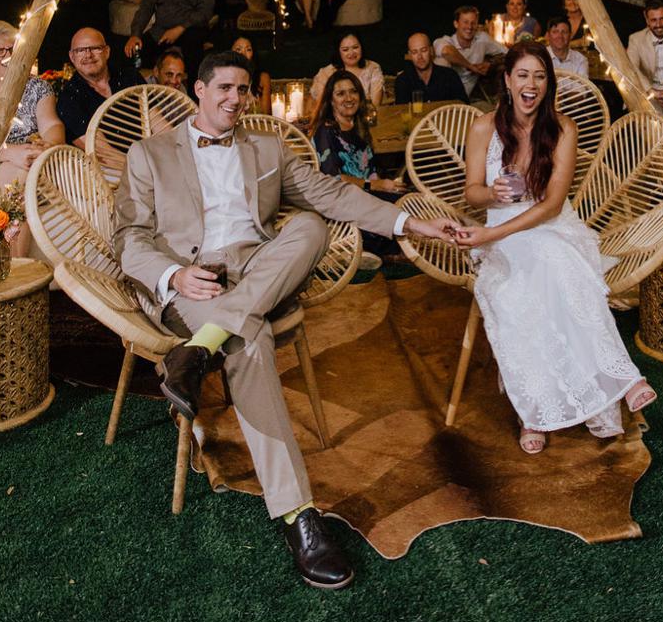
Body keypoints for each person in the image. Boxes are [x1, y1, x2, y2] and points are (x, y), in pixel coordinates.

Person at [117, 50, 450, 589]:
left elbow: (331, 194)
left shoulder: (267, 147)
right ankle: (299, 516)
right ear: (198, 92)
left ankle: (197, 350)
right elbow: (129, 237)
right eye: (223, 88)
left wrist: (407, 222)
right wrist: (174, 277)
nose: (234, 99)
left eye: (242, 89)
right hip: (194, 277)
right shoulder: (149, 154)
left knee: (311, 227)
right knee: (250, 344)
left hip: (258, 264)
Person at [446, 44, 657, 453]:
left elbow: (553, 205)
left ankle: (612, 384)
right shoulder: (482, 127)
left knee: (551, 259)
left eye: (540, 76)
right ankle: (546, 408)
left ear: (549, 83)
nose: (531, 84)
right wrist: (492, 195)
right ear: (507, 80)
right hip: (502, 227)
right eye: (523, 75)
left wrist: (491, 237)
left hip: (551, 226)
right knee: (524, 283)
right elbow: (471, 194)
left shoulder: (563, 129)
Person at [0, 19, 64, 209]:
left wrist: (48, 146)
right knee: (18, 175)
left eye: (12, 49)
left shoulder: (37, 86)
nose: (8, 56)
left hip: (38, 157)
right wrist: (11, 153)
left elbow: (52, 124)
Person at [310, 69, 406, 203]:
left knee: (417, 199)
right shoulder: (325, 131)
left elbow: (370, 170)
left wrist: (385, 185)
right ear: (331, 100)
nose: (349, 98)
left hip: (370, 195)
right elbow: (332, 178)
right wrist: (376, 185)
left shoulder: (358, 125)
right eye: (340, 94)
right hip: (345, 201)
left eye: (353, 91)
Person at [56, 27, 141, 144]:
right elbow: (102, 152)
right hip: (112, 161)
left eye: (95, 48)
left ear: (107, 52)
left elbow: (158, 123)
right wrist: (136, 162)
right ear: (72, 57)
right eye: (80, 50)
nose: (88, 55)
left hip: (150, 154)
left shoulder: (130, 77)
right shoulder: (68, 98)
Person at [435, 5, 504, 100]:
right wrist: (470, 66)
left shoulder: (482, 38)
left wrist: (491, 64)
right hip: (444, 95)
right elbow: (447, 51)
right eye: (465, 22)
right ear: (456, 24)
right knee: (441, 61)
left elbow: (507, 52)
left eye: (473, 23)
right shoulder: (446, 41)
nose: (470, 27)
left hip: (464, 97)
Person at [308, 32, 383, 108]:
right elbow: (321, 105)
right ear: (338, 52)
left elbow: (375, 105)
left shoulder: (373, 68)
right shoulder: (325, 73)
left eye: (355, 47)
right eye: (345, 50)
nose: (351, 53)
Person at [396, 32, 467, 106]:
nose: (419, 56)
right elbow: (401, 113)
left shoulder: (450, 76)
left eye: (423, 50)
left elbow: (464, 107)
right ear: (410, 55)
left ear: (431, 51)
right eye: (414, 52)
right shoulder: (402, 81)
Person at [542, 16, 589, 81]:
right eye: (555, 32)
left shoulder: (580, 60)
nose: (560, 36)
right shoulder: (540, 57)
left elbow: (581, 89)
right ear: (548, 35)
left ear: (570, 35)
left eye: (564, 32)